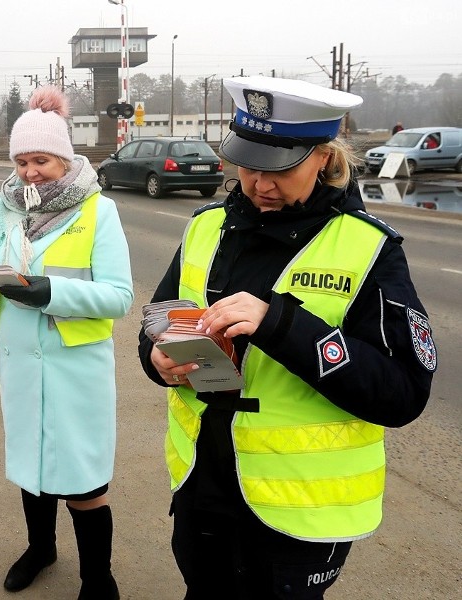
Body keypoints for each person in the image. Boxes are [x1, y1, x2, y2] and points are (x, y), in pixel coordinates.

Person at [138, 76, 435, 599]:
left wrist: (282, 325)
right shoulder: (206, 228)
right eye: (247, 165)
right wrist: (156, 359)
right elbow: (159, 320)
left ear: (322, 157)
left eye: (280, 170)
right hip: (202, 489)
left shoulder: (370, 251)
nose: (259, 185)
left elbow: (403, 393)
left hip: (296, 517)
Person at [0, 85, 133, 599]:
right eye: (23, 161)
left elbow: (118, 296)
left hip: (76, 369)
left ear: (65, 158)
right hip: (19, 364)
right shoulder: (1, 208)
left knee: (83, 479)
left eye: (43, 160)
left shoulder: (99, 211)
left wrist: (50, 293)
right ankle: (41, 549)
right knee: (32, 468)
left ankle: (99, 577)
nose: (30, 172)